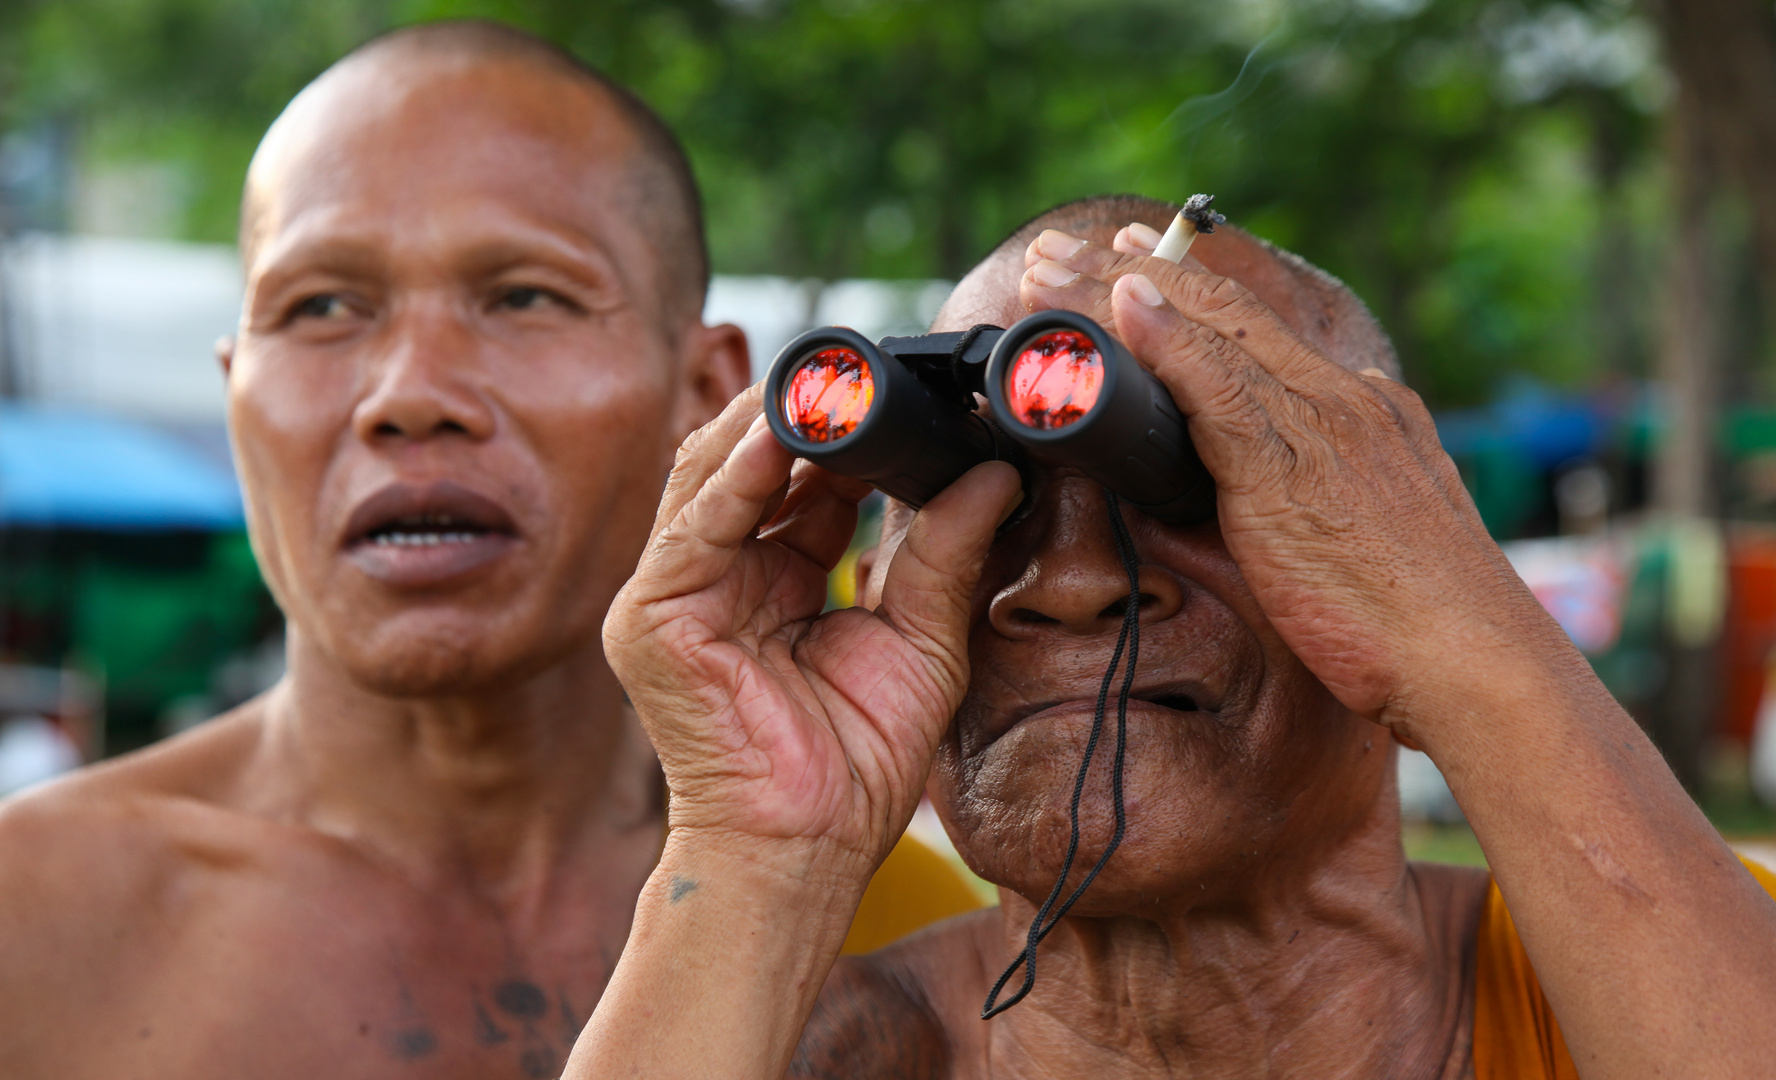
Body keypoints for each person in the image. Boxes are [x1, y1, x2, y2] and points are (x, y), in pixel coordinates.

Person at [574, 195, 1776, 1079]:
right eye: (976, 491)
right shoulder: (834, 1055)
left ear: (1411, 547)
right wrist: (755, 848)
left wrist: (1480, 652)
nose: (1074, 580)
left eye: (1193, 476)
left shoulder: (1666, 963)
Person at [0, 21, 977, 1080]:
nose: (412, 395)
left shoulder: (904, 924)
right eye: (320, 307)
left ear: (703, 392)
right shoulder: (34, 922)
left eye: (525, 297)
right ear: (235, 390)